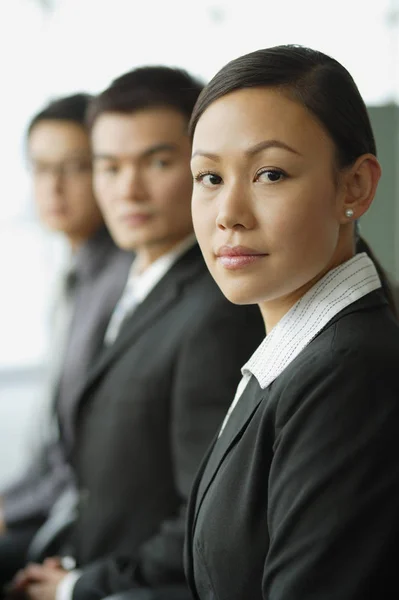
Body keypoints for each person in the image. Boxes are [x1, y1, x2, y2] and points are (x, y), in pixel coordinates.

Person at [14, 67, 264, 600]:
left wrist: (78, 587)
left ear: (203, 168)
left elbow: (207, 516)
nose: (128, 189)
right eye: (108, 166)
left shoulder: (217, 309)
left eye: (157, 162)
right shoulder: (129, 285)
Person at [183, 45, 399, 600]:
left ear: (355, 187)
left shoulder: (347, 373)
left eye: (270, 173)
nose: (228, 212)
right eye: (208, 177)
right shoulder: (299, 356)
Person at [0, 94, 132, 589]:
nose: (53, 187)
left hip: (75, 523)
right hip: (46, 504)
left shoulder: (122, 281)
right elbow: (53, 439)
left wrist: (12, 509)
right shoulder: (74, 274)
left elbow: (87, 454)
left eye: (74, 167)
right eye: (40, 168)